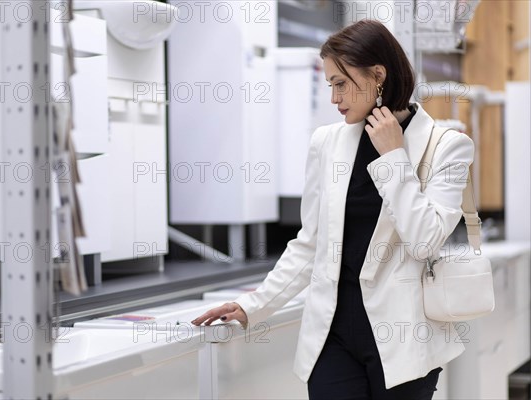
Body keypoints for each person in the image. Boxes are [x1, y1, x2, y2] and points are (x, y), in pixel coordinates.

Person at [191, 19, 474, 400]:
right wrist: (250, 306)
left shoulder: (447, 146)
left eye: (341, 84)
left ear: (378, 76)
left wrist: (393, 156)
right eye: (330, 85)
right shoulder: (327, 142)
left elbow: (425, 240)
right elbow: (310, 245)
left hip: (404, 342)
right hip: (331, 337)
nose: (333, 98)